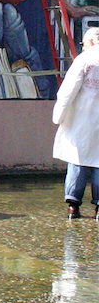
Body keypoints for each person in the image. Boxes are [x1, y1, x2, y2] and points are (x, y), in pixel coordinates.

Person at [52, 26, 99, 220]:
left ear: (90, 42)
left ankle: (73, 205)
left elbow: (68, 91)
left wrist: (58, 116)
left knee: (78, 161)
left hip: (83, 119)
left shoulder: (85, 59)